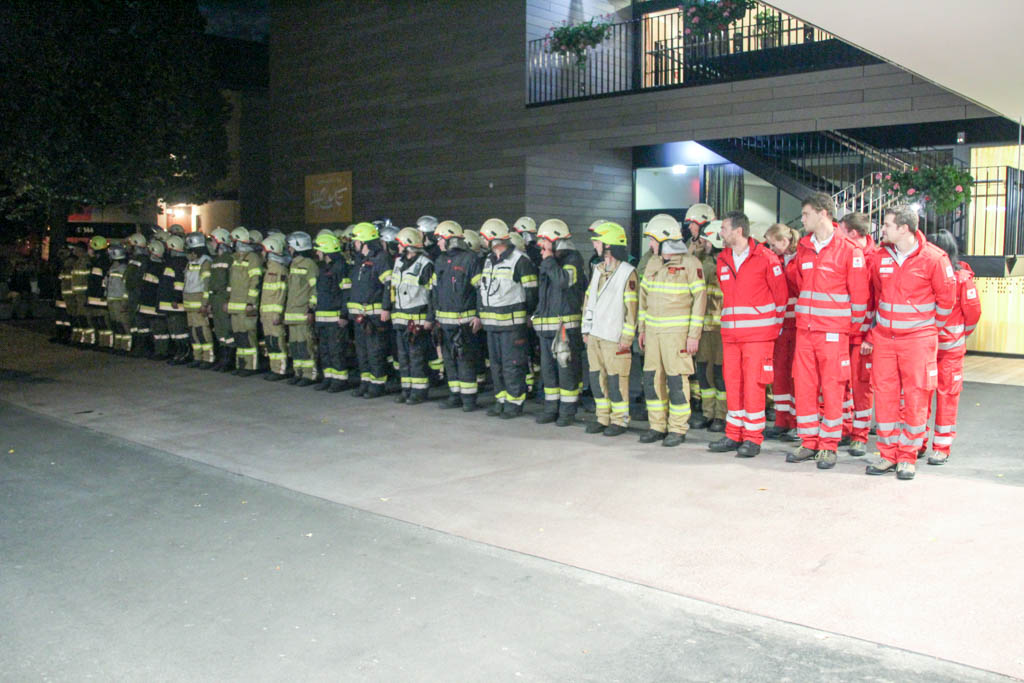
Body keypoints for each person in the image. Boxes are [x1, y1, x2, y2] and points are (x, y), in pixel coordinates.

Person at [863, 207, 956, 480]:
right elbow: (876, 294)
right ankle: (888, 454)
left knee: (916, 397)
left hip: (918, 341)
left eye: (887, 224)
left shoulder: (934, 259)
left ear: (904, 229)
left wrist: (926, 329)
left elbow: (947, 301)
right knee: (885, 396)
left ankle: (907, 456)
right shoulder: (880, 256)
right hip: (885, 339)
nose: (882, 229)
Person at [786, 193, 869, 470]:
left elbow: (860, 297)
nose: (802, 219)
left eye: (806, 214)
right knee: (804, 386)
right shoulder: (804, 247)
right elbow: (800, 284)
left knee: (833, 389)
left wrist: (847, 329)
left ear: (823, 213)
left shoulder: (849, 250)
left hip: (833, 333)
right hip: (805, 331)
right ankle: (809, 441)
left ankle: (829, 445)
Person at [706, 212, 788, 457]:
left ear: (738, 231)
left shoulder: (766, 258)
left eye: (724, 228)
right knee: (733, 385)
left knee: (754, 386)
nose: (721, 233)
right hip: (731, 336)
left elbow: (781, 296)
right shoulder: (723, 259)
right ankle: (734, 434)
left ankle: (752, 438)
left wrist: (772, 330)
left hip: (758, 337)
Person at [637, 213, 707, 447]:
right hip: (653, 335)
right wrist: (642, 329)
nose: (650, 245)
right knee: (651, 379)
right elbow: (643, 299)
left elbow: (700, 301)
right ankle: (657, 426)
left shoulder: (691, 264)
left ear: (665, 239)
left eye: (653, 240)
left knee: (677, 381)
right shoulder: (653, 263)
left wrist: (694, 335)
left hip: (677, 335)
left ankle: (677, 428)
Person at [925, 230, 981, 465]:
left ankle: (941, 446)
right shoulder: (923, 276)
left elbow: (973, 314)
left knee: (945, 396)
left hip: (947, 350)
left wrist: (957, 336)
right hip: (926, 348)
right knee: (921, 396)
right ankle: (920, 443)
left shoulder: (962, 279)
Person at [475, 218, 539, 419]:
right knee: (496, 365)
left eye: (485, 237)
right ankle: (501, 400)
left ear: (494, 239)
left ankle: (514, 402)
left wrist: (528, 314)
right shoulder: (489, 260)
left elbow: (531, 292)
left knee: (512, 364)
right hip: (491, 324)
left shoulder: (520, 260)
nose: (483, 241)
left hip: (512, 324)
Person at [581, 222, 638, 436]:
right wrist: (586, 329)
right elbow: (589, 301)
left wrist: (627, 338)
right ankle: (602, 418)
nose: (594, 245)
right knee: (597, 379)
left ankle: (619, 420)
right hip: (595, 335)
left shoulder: (627, 273)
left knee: (616, 381)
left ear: (609, 245)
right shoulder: (597, 269)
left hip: (615, 338)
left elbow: (632, 309)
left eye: (597, 241)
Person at [532, 219, 588, 426]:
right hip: (547, 327)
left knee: (566, 371)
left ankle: (567, 412)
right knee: (548, 372)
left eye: (544, 241)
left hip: (565, 328)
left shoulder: (573, 259)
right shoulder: (550, 261)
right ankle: (551, 409)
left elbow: (564, 281)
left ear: (555, 240)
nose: (541, 246)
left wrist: (548, 260)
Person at [430, 220, 484, 411]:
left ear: (450, 239)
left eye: (440, 239)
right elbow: (434, 291)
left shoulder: (470, 259)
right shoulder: (440, 260)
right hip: (444, 322)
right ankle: (455, 395)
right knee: (449, 361)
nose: (437, 243)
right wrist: (432, 318)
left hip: (465, 322)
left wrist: (479, 315)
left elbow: (480, 290)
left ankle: (469, 399)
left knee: (465, 360)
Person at [838, 212, 879, 456]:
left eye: (841, 232)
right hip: (842, 333)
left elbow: (882, 302)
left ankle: (860, 435)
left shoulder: (876, 260)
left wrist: (870, 337)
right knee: (841, 384)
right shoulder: (843, 254)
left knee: (862, 387)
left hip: (863, 338)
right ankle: (844, 429)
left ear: (852, 233)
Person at [762, 222, 802, 442]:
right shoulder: (776, 260)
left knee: (797, 376)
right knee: (779, 375)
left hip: (798, 326)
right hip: (780, 325)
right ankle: (781, 420)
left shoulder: (801, 258)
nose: (771, 248)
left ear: (784, 240)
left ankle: (797, 422)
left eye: (773, 244)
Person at [687, 219, 726, 433]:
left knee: (720, 373)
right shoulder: (707, 262)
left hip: (721, 330)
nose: (704, 244)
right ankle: (708, 413)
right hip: (704, 328)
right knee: (703, 371)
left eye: (707, 241)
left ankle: (721, 415)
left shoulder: (720, 265)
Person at [389, 227, 435, 404]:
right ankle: (406, 389)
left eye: (400, 244)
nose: (398, 247)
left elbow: (432, 294)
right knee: (403, 357)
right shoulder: (398, 263)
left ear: (408, 245)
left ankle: (419, 392)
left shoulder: (425, 264)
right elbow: (392, 289)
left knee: (417, 357)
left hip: (417, 320)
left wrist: (430, 318)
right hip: (400, 318)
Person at [348, 222, 394, 398]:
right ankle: (365, 382)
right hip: (360, 315)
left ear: (363, 242)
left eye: (356, 241)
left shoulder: (381, 258)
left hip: (374, 316)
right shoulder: (360, 260)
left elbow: (389, 285)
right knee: (362, 352)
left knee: (375, 352)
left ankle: (377, 385)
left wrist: (386, 308)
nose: (354, 244)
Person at [311, 231, 351, 393]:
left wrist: (344, 314)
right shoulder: (324, 268)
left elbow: (346, 293)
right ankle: (328, 378)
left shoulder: (340, 267)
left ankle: (339, 380)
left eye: (319, 249)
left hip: (335, 318)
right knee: (325, 350)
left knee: (336, 351)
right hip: (323, 317)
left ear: (326, 250)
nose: (317, 253)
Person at [284, 231, 320, 386]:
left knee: (306, 345)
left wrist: (311, 309)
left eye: (291, 246)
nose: (289, 249)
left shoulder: (309, 264)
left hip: (303, 312)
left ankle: (309, 375)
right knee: (295, 345)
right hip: (292, 313)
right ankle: (298, 372)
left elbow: (315, 289)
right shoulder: (293, 264)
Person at [227, 227, 264, 376]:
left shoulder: (252, 258)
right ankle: (241, 364)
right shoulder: (235, 258)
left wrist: (251, 302)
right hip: (234, 304)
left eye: (234, 241)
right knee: (239, 336)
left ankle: (251, 367)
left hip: (246, 305)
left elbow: (255, 281)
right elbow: (231, 282)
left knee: (248, 336)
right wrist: (228, 300)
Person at [259, 233, 290, 381]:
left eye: (263, 250)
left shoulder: (279, 270)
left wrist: (278, 313)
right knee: (270, 342)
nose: (261, 253)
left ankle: (281, 370)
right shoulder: (269, 269)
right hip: (267, 314)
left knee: (277, 341)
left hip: (273, 314)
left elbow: (281, 293)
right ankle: (274, 368)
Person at [182, 232, 215, 368]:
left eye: (189, 251)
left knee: (202, 331)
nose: (188, 254)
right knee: (193, 331)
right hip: (189, 303)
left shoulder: (206, 263)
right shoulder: (190, 263)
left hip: (199, 303)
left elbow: (206, 285)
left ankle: (208, 358)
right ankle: (197, 357)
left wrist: (205, 304)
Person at [207, 228, 236, 371]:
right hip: (215, 298)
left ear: (221, 242)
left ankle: (228, 360)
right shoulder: (215, 260)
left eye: (213, 241)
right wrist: (209, 302)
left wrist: (228, 300)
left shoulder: (229, 259)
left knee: (226, 330)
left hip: (223, 298)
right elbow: (211, 282)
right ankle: (222, 358)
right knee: (218, 329)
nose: (211, 244)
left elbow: (231, 281)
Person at [161, 235, 190, 365]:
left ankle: (184, 354)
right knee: (174, 331)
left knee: (180, 331)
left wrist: (176, 299)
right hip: (171, 304)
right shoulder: (176, 262)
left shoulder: (177, 262)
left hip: (175, 305)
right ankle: (179, 353)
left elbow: (179, 283)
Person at [139, 238, 169, 359]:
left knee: (159, 330)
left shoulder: (157, 268)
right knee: (155, 330)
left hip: (154, 304)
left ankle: (162, 352)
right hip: (150, 304)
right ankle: (158, 351)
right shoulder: (154, 267)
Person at [104, 243, 132, 354]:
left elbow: (126, 286)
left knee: (123, 323)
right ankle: (118, 345)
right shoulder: (112, 268)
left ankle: (126, 347)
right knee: (116, 323)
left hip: (119, 300)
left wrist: (125, 300)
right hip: (112, 299)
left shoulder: (123, 268)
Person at [124, 232, 149, 355]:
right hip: (132, 293)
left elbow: (139, 279)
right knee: (133, 321)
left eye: (130, 245)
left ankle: (143, 347)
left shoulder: (143, 260)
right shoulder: (134, 259)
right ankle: (136, 345)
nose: (128, 247)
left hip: (137, 294)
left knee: (140, 322)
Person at [85, 236, 111, 349]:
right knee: (99, 321)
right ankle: (102, 342)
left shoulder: (100, 263)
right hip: (97, 297)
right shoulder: (100, 262)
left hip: (99, 297)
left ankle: (106, 343)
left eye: (90, 248)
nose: (89, 250)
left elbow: (98, 282)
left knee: (102, 322)